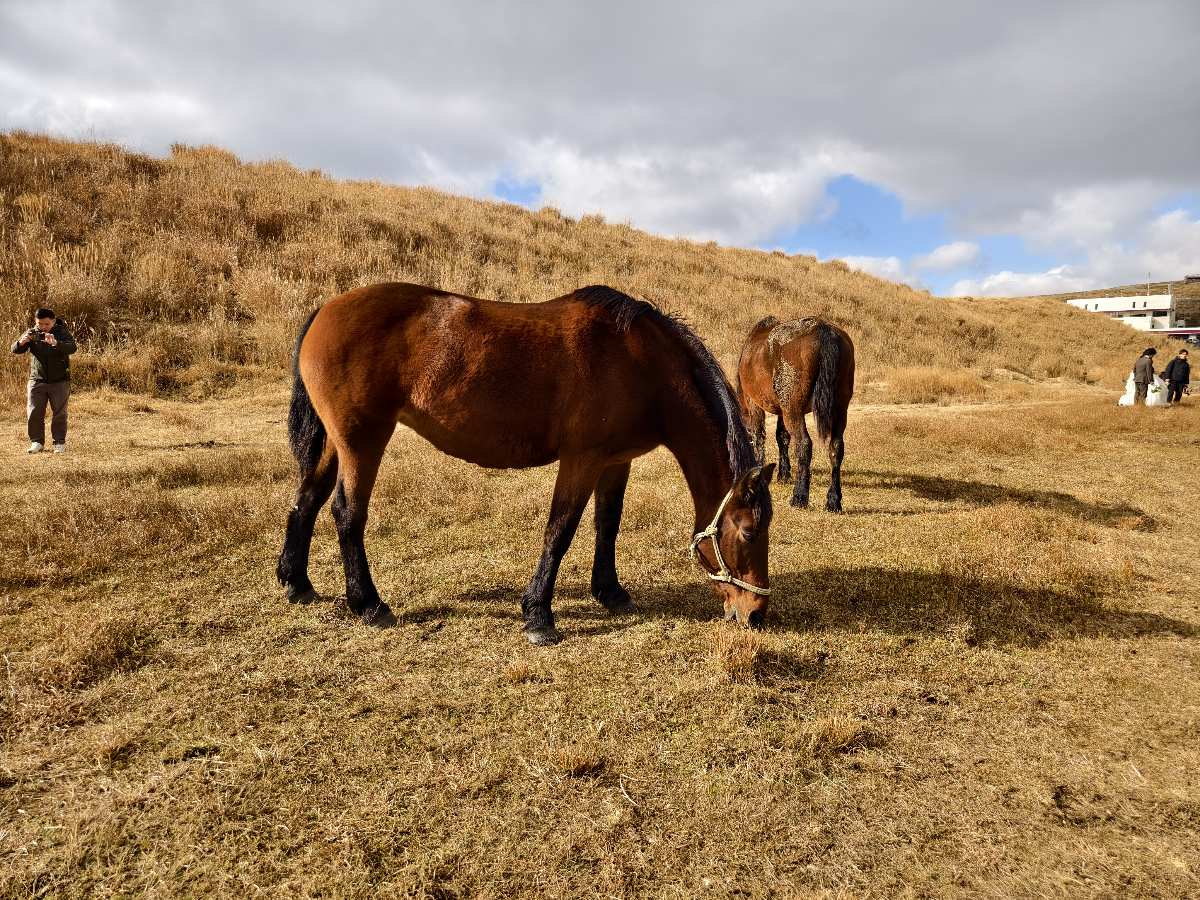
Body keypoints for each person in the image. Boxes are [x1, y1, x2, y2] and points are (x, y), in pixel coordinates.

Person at [11, 308, 77, 453]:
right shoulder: (32, 332)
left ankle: (59, 443)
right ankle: (36, 442)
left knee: (60, 413)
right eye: (39, 323)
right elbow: (14, 350)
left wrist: (56, 343)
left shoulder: (62, 332)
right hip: (37, 380)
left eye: (46, 324)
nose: (43, 327)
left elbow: (73, 348)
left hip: (59, 381)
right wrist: (21, 343)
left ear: (53, 321)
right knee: (34, 412)